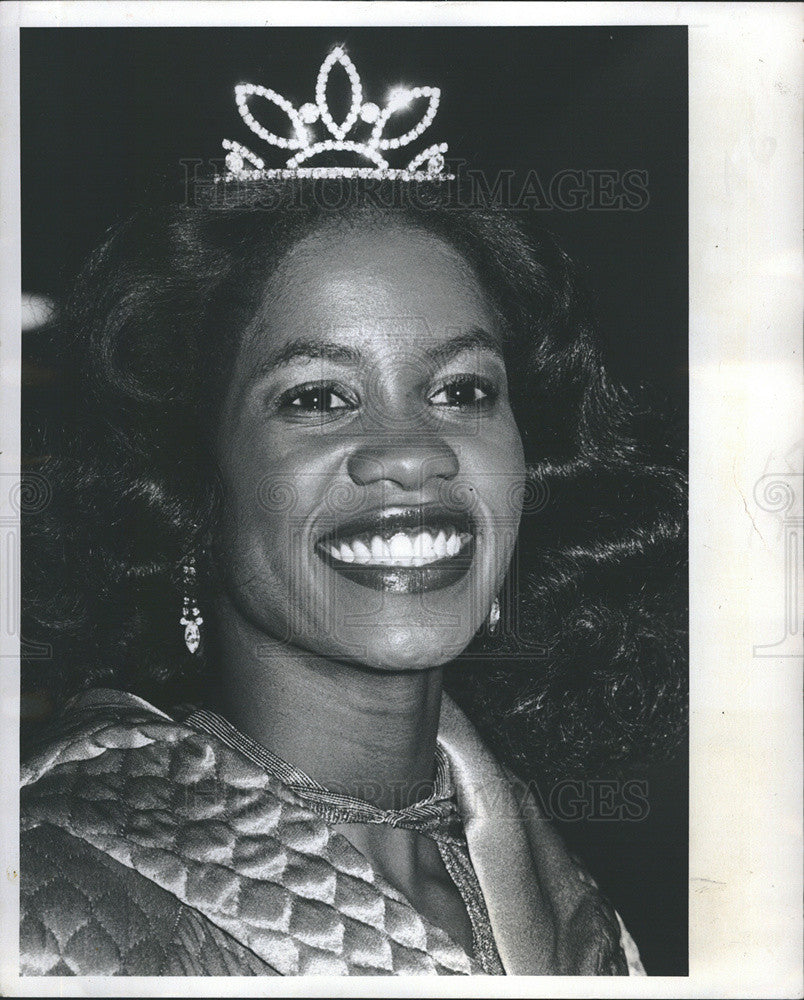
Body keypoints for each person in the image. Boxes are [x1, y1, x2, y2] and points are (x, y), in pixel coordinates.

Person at [19, 52, 686, 977]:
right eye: (319, 398)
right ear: (189, 486)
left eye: (461, 389)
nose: (413, 451)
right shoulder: (44, 893)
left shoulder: (578, 909)